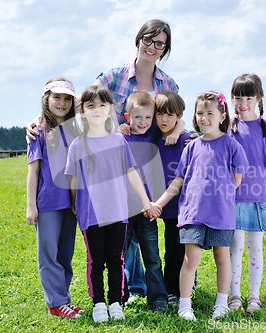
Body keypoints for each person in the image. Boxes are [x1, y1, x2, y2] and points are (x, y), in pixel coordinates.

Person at [93, 18, 185, 299]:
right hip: (122, 160)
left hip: (158, 161)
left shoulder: (167, 82)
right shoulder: (113, 77)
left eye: (160, 44)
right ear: (138, 40)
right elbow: (87, 104)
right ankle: (134, 286)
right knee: (127, 230)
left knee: (160, 226)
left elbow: (177, 115)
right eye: (148, 40)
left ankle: (172, 283)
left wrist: (179, 129)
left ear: (164, 50)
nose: (152, 47)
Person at [64, 85, 160, 323]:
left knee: (116, 259)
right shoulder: (78, 144)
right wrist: (75, 205)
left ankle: (116, 301)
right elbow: (73, 180)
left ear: (110, 110)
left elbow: (132, 173)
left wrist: (146, 201)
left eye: (102, 105)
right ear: (83, 111)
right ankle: (98, 303)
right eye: (91, 106)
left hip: (118, 211)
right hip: (91, 213)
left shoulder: (118, 141)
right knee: (95, 260)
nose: (97, 110)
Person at [154, 91, 248, 321]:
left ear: (222, 116)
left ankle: (221, 303)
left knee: (222, 258)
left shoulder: (231, 146)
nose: (204, 118)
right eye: (200, 114)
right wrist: (159, 203)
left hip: (221, 214)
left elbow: (237, 178)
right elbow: (178, 181)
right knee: (190, 260)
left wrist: (219, 196)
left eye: (210, 113)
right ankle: (185, 305)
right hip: (192, 213)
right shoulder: (191, 147)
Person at [26, 77, 82, 319]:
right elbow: (33, 171)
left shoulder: (76, 130)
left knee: (65, 255)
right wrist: (31, 206)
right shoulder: (37, 131)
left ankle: (64, 299)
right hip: (47, 203)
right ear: (45, 99)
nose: (62, 103)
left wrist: (78, 105)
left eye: (67, 99)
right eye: (56, 97)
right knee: (48, 254)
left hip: (71, 203)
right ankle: (55, 303)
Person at [227, 74, 266, 313]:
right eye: (238, 97)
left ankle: (254, 296)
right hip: (233, 197)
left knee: (255, 248)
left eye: (248, 97)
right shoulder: (228, 126)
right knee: (235, 249)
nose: (243, 103)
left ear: (258, 98)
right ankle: (235, 295)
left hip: (260, 196)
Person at [121, 91, 168, 311]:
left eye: (148, 118)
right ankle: (119, 295)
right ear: (127, 116)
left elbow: (178, 123)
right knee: (118, 256)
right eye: (137, 117)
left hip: (147, 209)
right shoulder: (122, 137)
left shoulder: (153, 136)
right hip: (124, 209)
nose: (143, 122)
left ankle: (158, 297)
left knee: (152, 257)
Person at [153, 91, 192, 306]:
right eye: (160, 114)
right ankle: (171, 288)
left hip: (182, 205)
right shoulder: (153, 137)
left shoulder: (186, 140)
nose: (164, 119)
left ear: (178, 116)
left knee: (178, 249)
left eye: (170, 115)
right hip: (161, 205)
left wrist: (180, 131)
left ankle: (177, 290)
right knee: (170, 248)